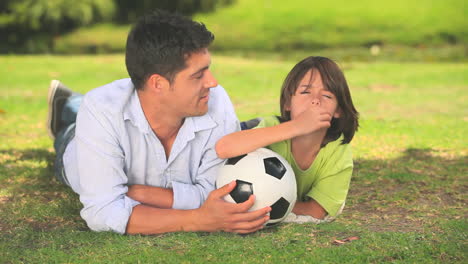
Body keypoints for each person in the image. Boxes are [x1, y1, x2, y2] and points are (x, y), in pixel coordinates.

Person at [47, 10, 271, 235]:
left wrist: (145, 195)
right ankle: (67, 104)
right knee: (70, 129)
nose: (213, 82)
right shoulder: (101, 109)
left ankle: (71, 102)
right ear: (158, 84)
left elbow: (215, 192)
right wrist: (196, 219)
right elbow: (104, 212)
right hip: (75, 149)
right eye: (198, 75)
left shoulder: (215, 100)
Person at [216, 56, 359, 223]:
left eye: (327, 95)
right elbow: (223, 148)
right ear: (288, 103)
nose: (315, 100)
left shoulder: (338, 151)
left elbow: (317, 211)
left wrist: (267, 201)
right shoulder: (271, 126)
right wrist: (297, 126)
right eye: (305, 92)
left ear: (338, 110)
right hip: (253, 131)